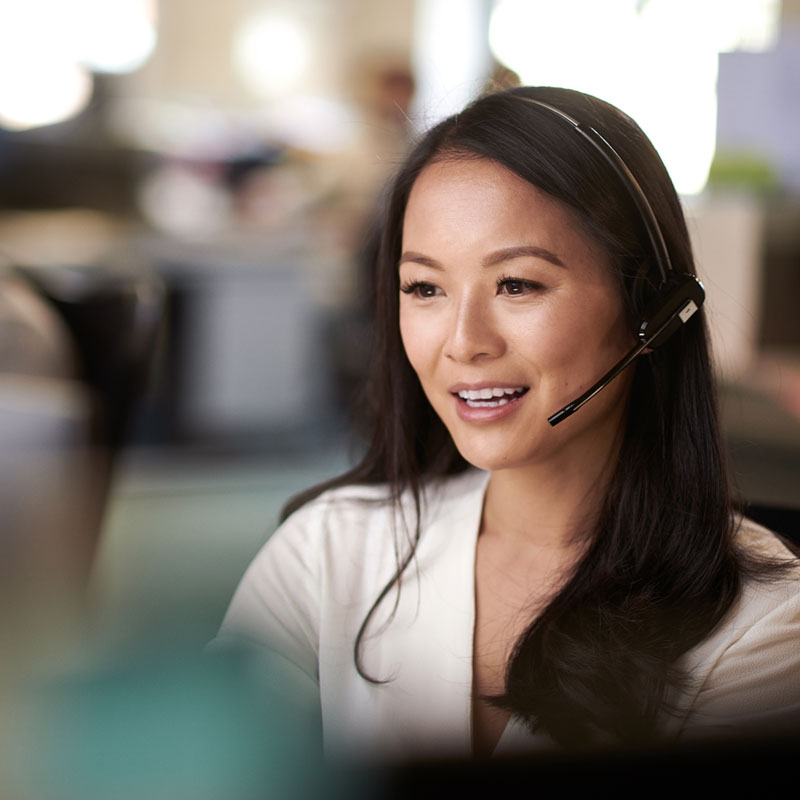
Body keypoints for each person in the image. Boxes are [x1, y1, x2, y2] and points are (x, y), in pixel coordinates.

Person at [214, 86, 800, 762]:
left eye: (516, 285)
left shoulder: (765, 626)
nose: (463, 342)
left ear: (651, 311)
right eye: (425, 289)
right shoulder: (327, 551)